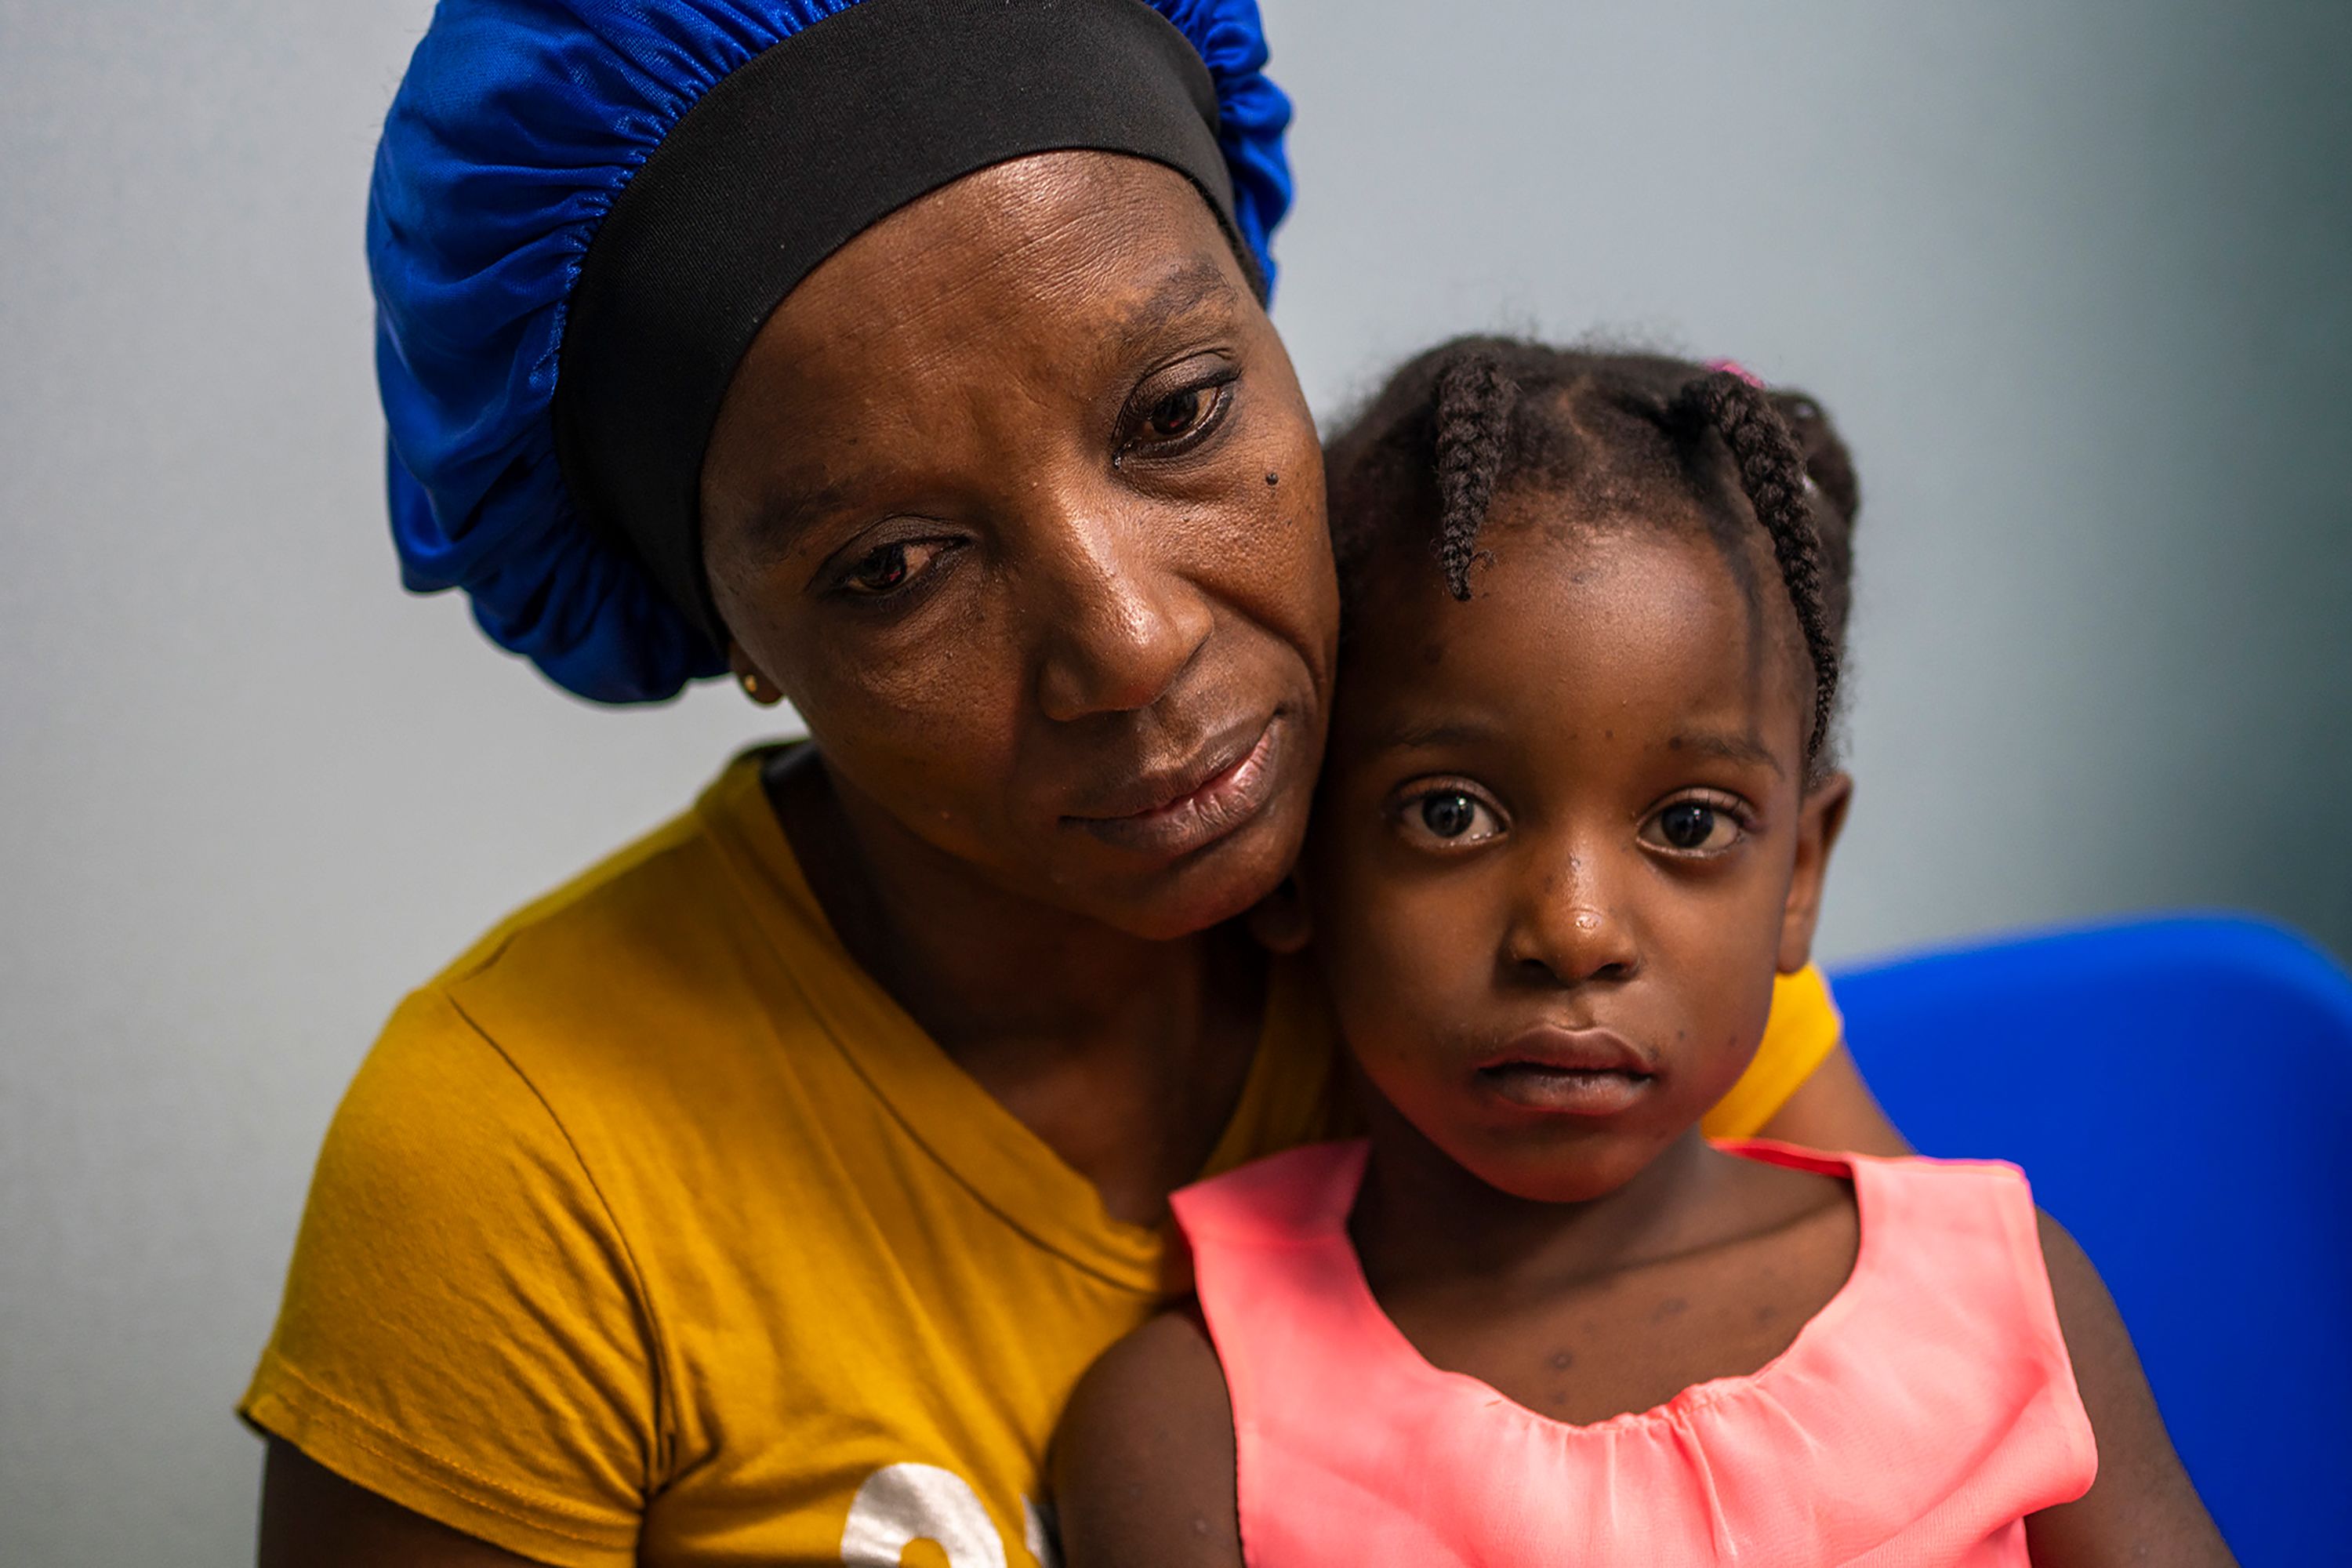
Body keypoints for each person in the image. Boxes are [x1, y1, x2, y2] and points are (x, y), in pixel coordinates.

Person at [244, 7, 1901, 1565]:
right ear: (729, 627)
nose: (1129, 642)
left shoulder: (1547, 906)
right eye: (894, 565)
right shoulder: (523, 1172)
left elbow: (1939, 1418)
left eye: (1177, 413)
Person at [1053, 341, 2233, 1566]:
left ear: (1801, 875)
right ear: (1298, 856)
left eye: (1689, 825)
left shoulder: (2003, 1298)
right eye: (1449, 812)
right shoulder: (1197, 1425)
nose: (1575, 932)